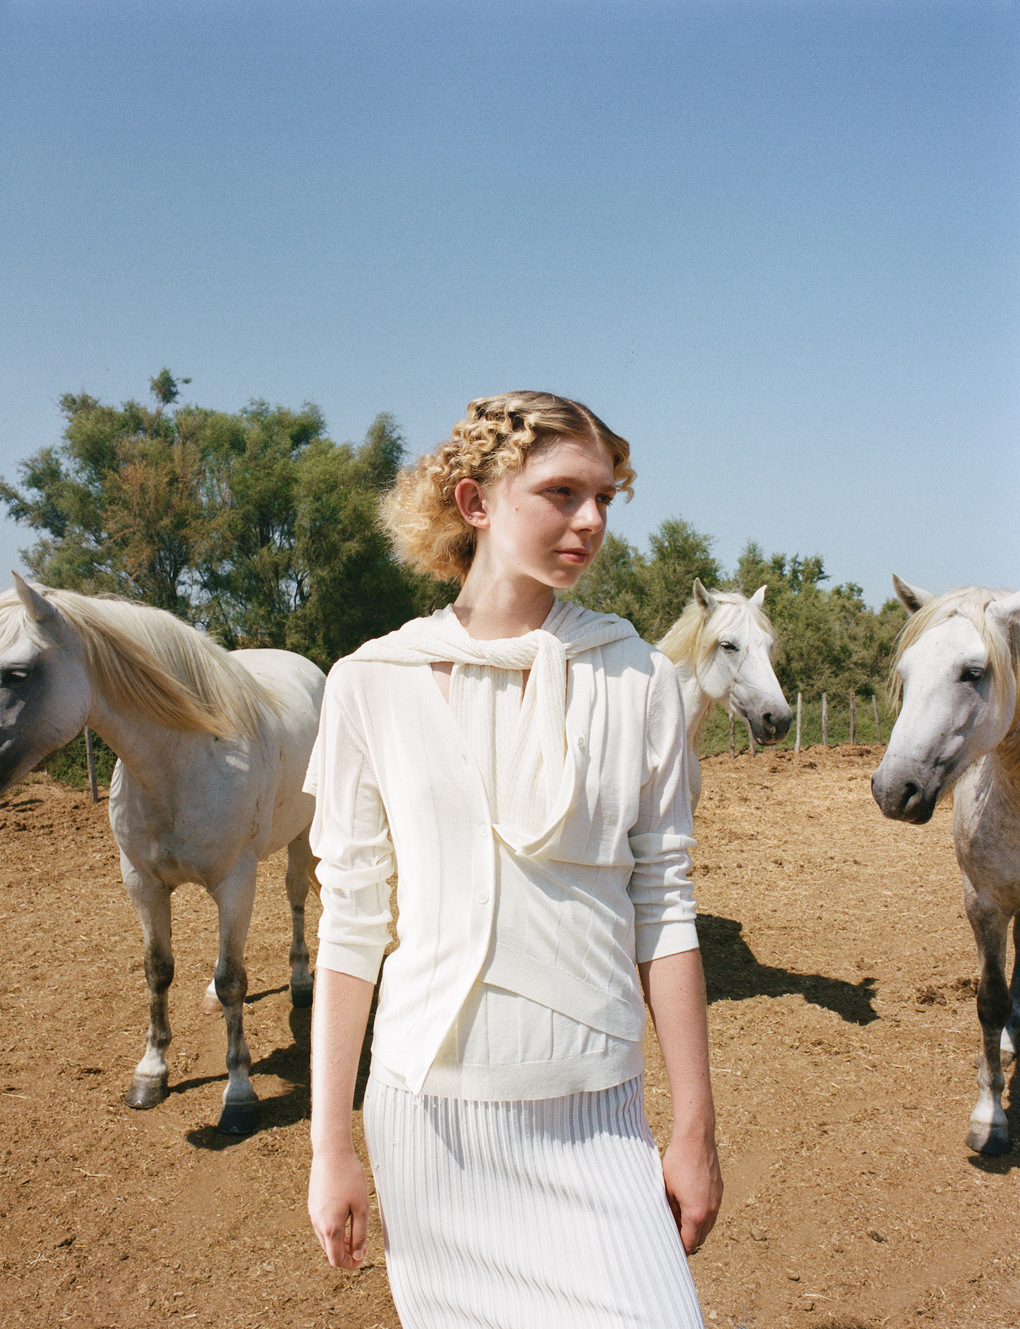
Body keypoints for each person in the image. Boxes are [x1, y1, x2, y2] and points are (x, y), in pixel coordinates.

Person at [305, 391, 722, 1328]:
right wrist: (332, 1143)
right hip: (430, 1126)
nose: (592, 519)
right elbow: (351, 925)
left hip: (595, 1112)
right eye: (563, 492)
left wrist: (694, 1128)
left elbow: (666, 906)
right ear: (476, 502)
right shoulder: (370, 683)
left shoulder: (641, 679)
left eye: (605, 497)